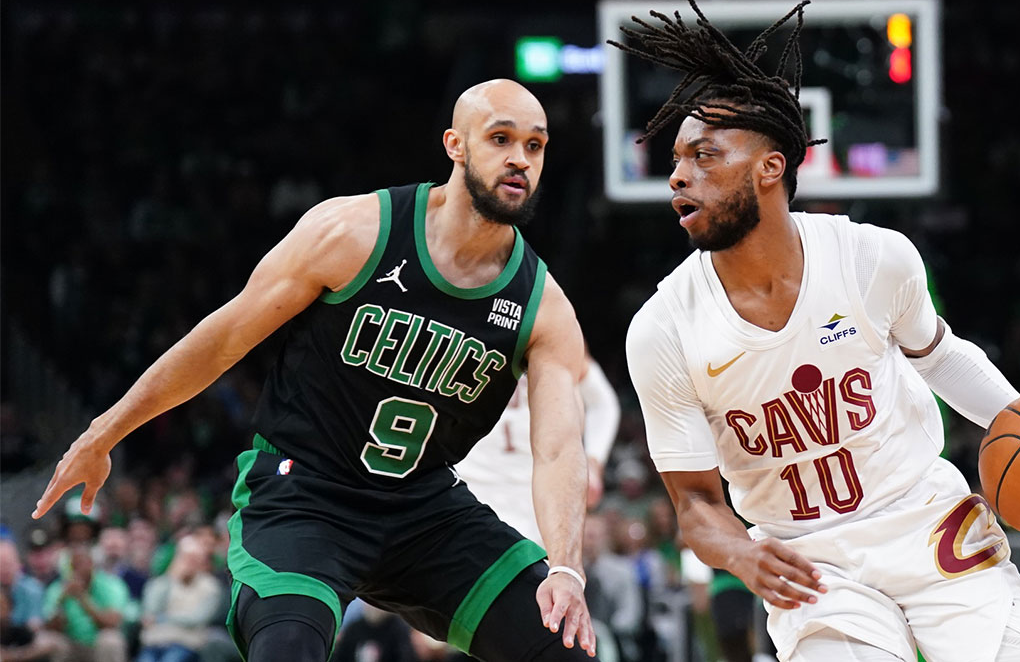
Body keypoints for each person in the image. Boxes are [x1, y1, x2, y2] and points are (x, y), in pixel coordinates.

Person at [616, 0, 1020, 661]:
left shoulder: (873, 258)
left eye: (705, 155)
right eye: (677, 160)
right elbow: (694, 504)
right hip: (809, 562)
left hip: (928, 521)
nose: (679, 176)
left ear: (771, 167)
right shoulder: (661, 328)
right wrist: (741, 551)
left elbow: (941, 357)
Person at [32, 78, 595, 662]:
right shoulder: (354, 232)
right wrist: (107, 431)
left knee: (562, 646)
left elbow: (557, 448)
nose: (519, 160)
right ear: (455, 145)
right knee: (289, 648)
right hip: (305, 494)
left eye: (535, 146)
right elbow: (223, 339)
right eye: (500, 138)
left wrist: (567, 569)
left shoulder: (543, 306)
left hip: (424, 510)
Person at [455, 355, 620, 546]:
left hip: (536, 487)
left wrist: (593, 461)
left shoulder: (551, 328)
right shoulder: (457, 327)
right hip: (469, 482)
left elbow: (601, 401)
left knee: (542, 570)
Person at [137, 535, 223, 662]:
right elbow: (151, 610)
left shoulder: (210, 586)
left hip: (185, 643)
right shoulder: (162, 582)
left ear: (201, 561)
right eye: (186, 557)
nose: (189, 563)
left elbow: (197, 619)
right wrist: (170, 578)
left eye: (194, 559)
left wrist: (162, 618)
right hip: (154, 642)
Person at [42, 545, 131, 662]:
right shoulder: (57, 589)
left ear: (92, 565)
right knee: (47, 641)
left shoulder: (110, 585)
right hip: (71, 644)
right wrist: (61, 601)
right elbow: (50, 627)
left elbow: (112, 623)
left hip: (97, 644)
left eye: (83, 564)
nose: (78, 569)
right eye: (74, 566)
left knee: (111, 640)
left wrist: (82, 599)